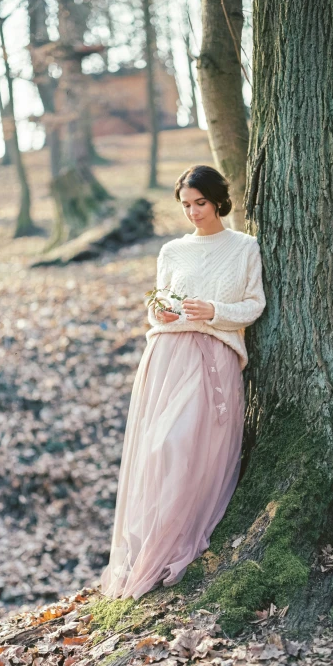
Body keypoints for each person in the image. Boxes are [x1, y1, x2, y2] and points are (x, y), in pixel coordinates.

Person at [99, 164, 266, 600]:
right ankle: (151, 541)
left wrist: (213, 311)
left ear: (219, 201)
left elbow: (253, 304)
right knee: (160, 449)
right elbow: (157, 305)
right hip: (168, 356)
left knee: (186, 445)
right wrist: (164, 313)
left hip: (214, 357)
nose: (193, 213)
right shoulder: (172, 251)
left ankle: (178, 538)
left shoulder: (246, 247)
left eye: (201, 203)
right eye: (186, 205)